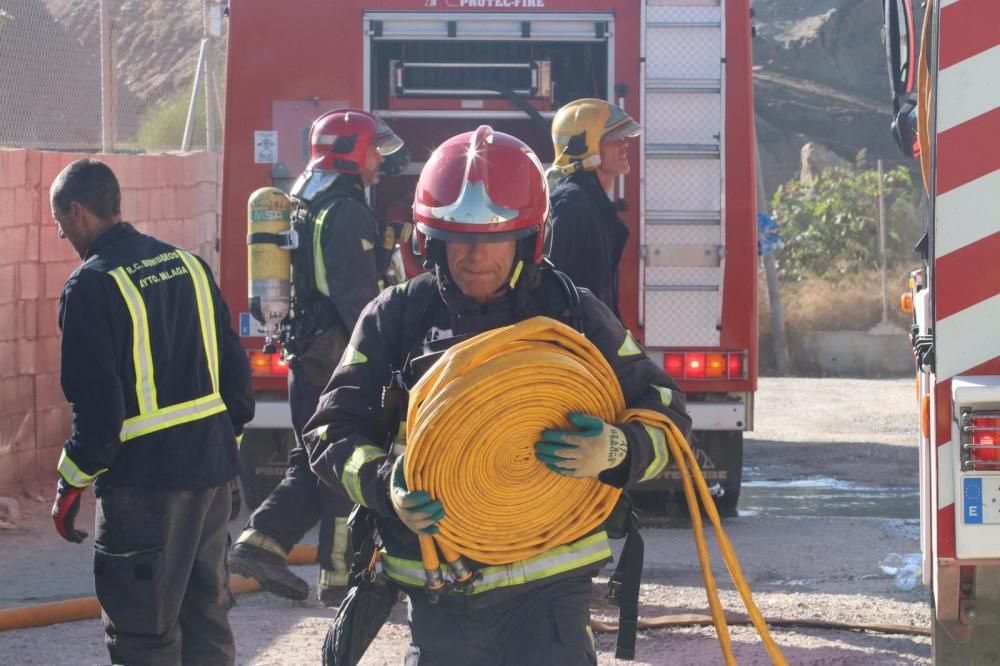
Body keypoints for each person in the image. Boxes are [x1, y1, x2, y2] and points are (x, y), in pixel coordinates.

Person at [302, 126, 690, 665]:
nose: (475, 256)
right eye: (458, 238)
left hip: (551, 594)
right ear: (429, 240)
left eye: (494, 239)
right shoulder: (396, 318)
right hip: (439, 594)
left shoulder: (571, 315)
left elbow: (669, 414)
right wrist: (384, 482)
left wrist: (617, 449)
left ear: (529, 239)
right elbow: (329, 429)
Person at [49, 159, 254, 666]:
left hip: (145, 489)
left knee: (143, 634)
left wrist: (70, 484)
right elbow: (236, 376)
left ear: (78, 212)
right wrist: (223, 454)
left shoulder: (91, 286)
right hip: (211, 476)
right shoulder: (188, 264)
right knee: (205, 618)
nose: (61, 235)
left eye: (60, 223)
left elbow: (97, 412)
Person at [229, 109, 405, 607]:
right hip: (334, 358)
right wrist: (381, 355)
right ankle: (340, 580)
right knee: (344, 462)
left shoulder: (310, 201)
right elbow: (353, 297)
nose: (378, 162)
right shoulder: (345, 211)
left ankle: (260, 544)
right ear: (350, 151)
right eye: (373, 151)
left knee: (315, 460)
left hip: (307, 353)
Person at [547, 98, 642, 319]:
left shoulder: (595, 206)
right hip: (571, 345)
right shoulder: (573, 203)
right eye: (615, 138)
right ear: (586, 146)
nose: (625, 143)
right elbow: (546, 282)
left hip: (588, 344)